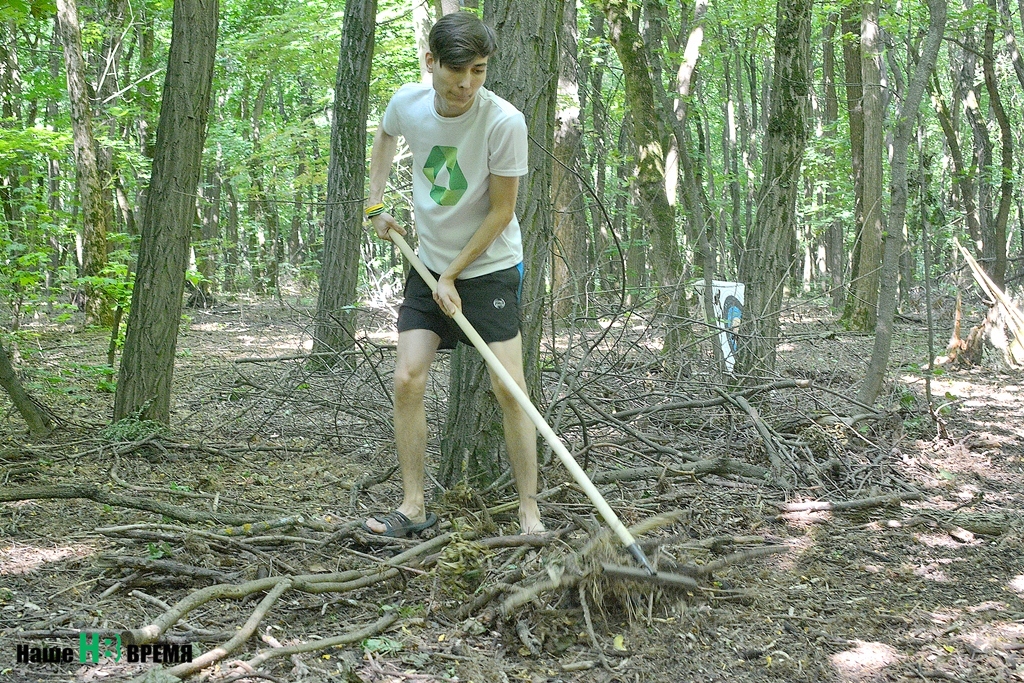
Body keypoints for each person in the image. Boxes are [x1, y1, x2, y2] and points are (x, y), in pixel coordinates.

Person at [361, 11, 544, 537]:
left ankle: (529, 511)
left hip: (488, 269)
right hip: (427, 265)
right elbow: (385, 137)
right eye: (456, 71)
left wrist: (455, 274)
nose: (466, 84)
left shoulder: (504, 121)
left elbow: (502, 211)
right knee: (407, 379)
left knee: (510, 390)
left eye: (479, 71)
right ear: (431, 62)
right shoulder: (408, 104)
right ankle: (414, 507)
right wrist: (375, 205)